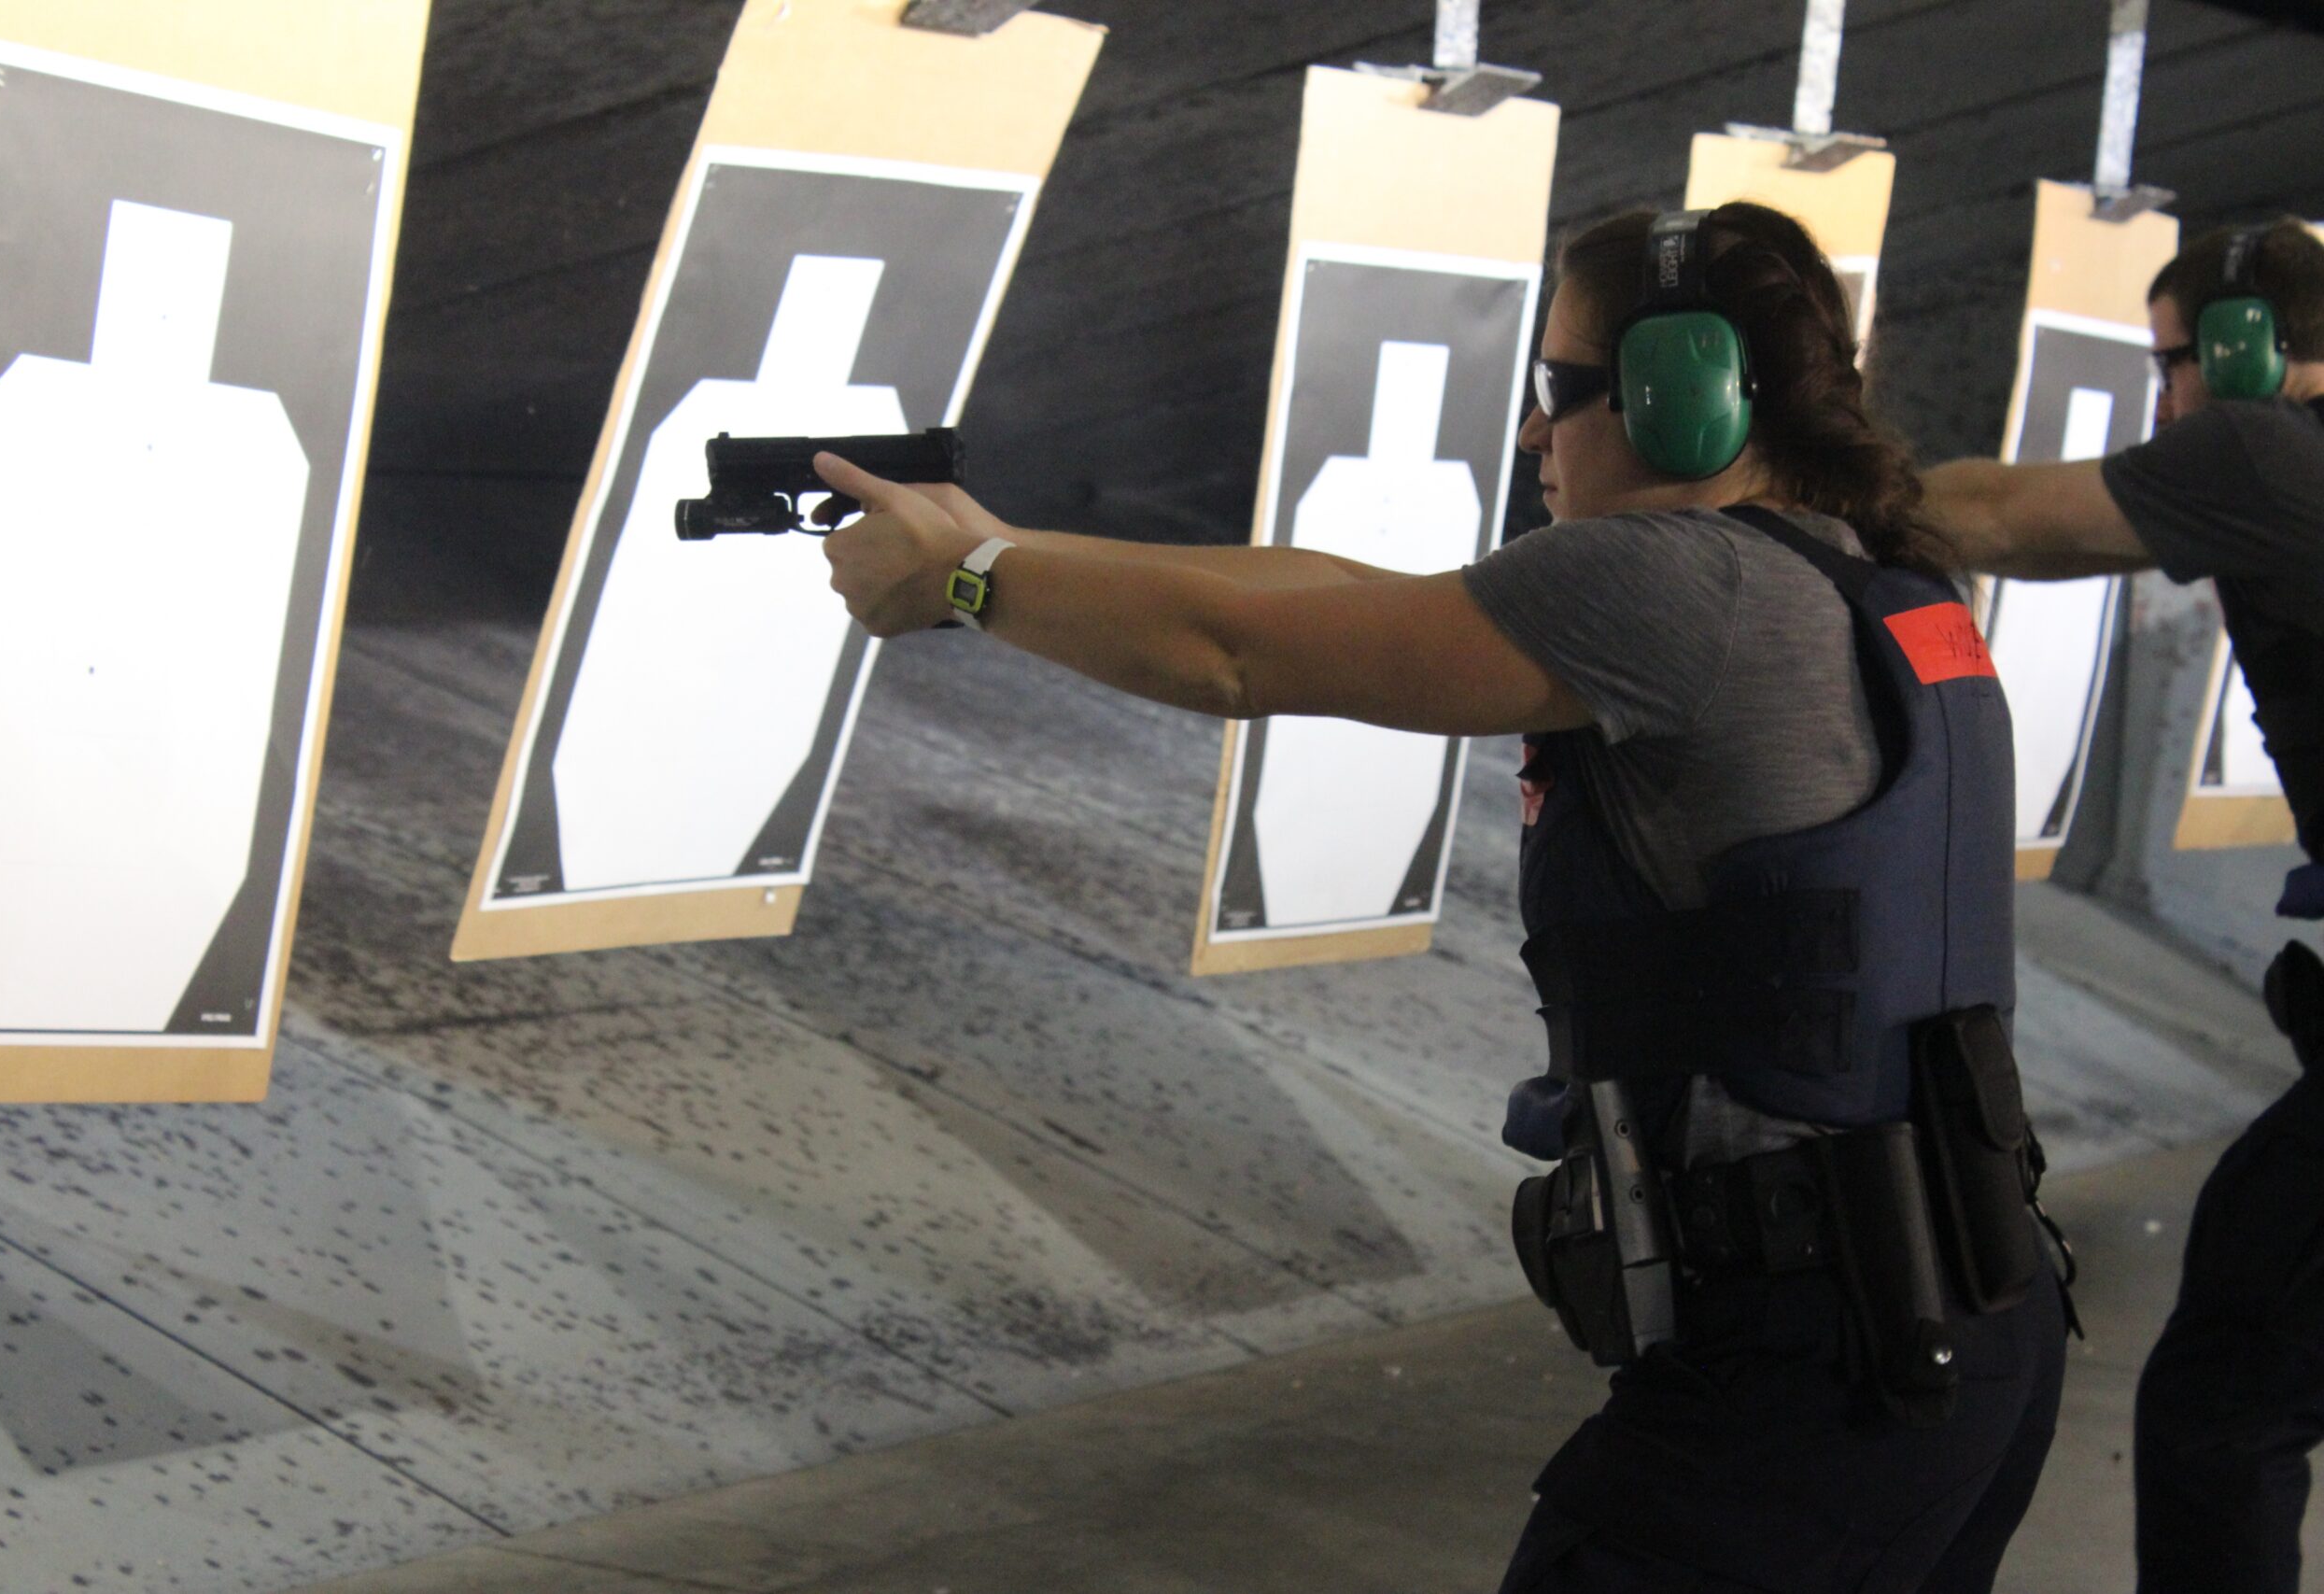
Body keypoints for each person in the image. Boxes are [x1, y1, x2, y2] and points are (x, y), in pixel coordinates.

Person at [813, 202, 2068, 1592]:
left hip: (1803, 1368)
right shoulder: (1863, 580)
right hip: (1962, 1318)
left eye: (1560, 390)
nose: (1537, 434)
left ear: (1683, 395)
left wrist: (973, 587)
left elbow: (1238, 655)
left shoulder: (1675, 589)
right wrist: (1011, 542)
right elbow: (1348, 594)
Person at [1918, 216, 2324, 1594]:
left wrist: (1800, 488)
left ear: (2243, 348)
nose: (2167, 402)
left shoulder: (2263, 446)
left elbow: (1995, 520)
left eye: (2174, 363)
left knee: (2229, 1395)